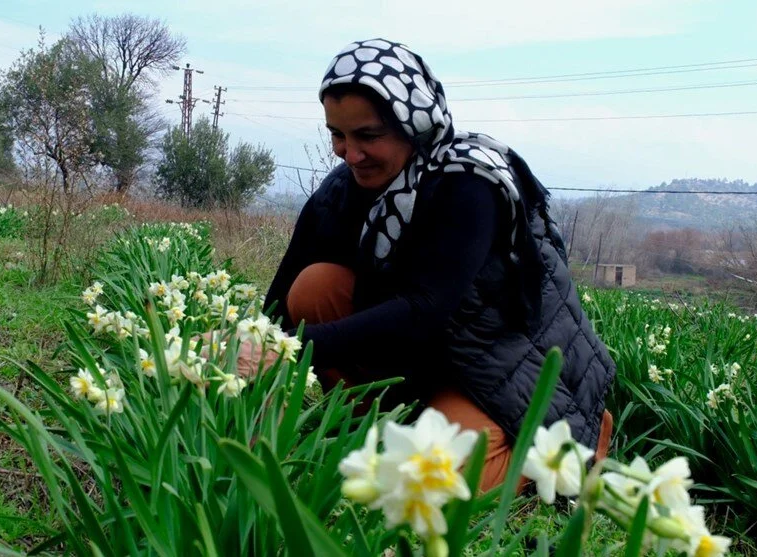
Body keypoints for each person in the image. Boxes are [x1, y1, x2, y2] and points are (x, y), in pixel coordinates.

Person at [261, 38, 616, 492]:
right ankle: (376, 423)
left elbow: (424, 309)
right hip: (423, 358)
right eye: (337, 135)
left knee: (435, 483)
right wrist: (251, 347)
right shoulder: (345, 187)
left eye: (368, 135)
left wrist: (288, 349)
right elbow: (283, 290)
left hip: (497, 364)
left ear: (414, 123)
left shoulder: (469, 183)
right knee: (314, 287)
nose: (350, 153)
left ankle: (569, 449)